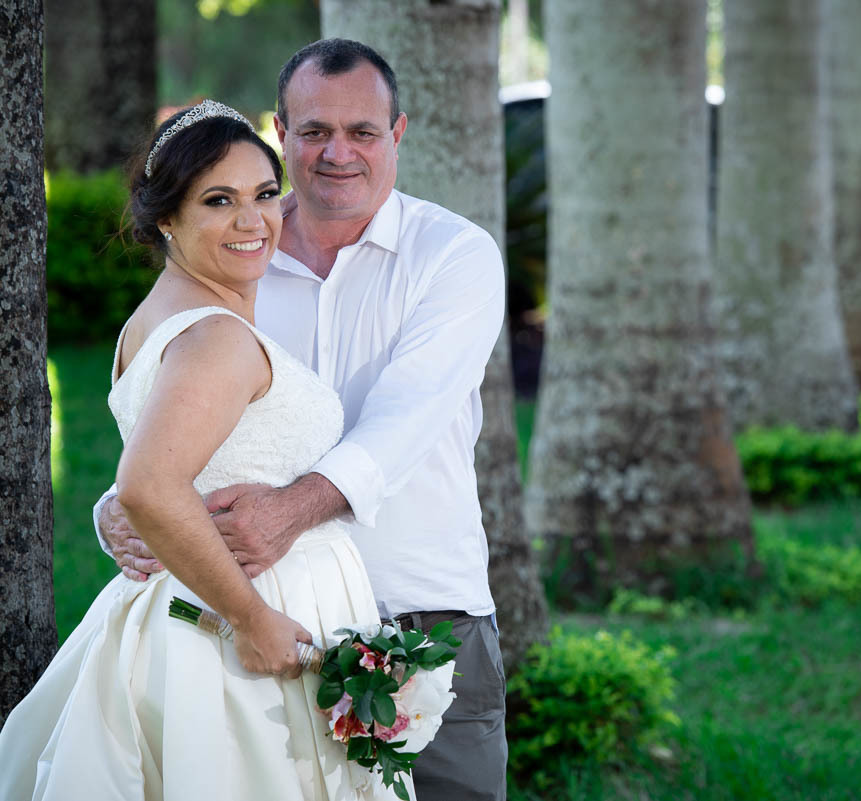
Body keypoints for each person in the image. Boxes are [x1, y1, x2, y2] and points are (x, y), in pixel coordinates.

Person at [97, 39, 509, 801]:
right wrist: (119, 507)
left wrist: (288, 509)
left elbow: (403, 422)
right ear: (283, 135)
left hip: (423, 601)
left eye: (363, 131)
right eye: (315, 131)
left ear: (399, 134)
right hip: (265, 620)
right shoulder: (238, 253)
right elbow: (175, 414)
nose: (338, 153)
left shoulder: (454, 255)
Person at [0, 101, 401, 800]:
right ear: (166, 218)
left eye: (265, 194)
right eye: (219, 200)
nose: (253, 221)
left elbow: (172, 465)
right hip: (236, 628)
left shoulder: (158, 318)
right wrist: (253, 620)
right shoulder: (215, 335)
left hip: (196, 601)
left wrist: (116, 507)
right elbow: (152, 483)